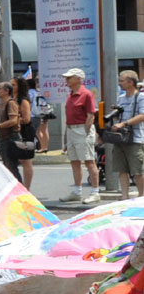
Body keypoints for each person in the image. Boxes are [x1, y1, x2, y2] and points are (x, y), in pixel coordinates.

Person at [62, 68, 99, 204]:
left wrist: (86, 131)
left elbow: (90, 115)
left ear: (78, 79)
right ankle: (77, 191)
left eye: (69, 77)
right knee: (74, 161)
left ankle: (95, 192)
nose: (66, 80)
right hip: (71, 129)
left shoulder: (86, 94)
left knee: (89, 161)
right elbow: (69, 117)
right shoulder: (71, 94)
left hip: (82, 130)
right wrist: (66, 135)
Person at [109, 70, 144, 199]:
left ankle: (141, 197)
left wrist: (124, 124)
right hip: (121, 138)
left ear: (131, 82)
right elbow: (119, 116)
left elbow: (142, 116)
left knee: (138, 171)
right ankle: (125, 196)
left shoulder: (140, 97)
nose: (120, 84)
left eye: (122, 81)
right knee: (122, 169)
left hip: (135, 138)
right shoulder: (121, 98)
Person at [0, 81, 35, 188]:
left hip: (12, 137)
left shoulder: (11, 103)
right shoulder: (1, 104)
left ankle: (21, 191)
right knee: (8, 166)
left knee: (13, 167)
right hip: (3, 138)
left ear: (6, 91)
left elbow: (14, 120)